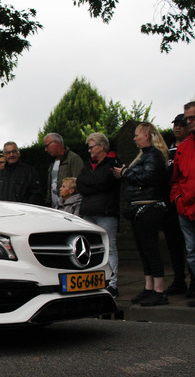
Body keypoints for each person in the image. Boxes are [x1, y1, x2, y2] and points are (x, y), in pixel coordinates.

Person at [114, 122, 169, 306]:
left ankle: (159, 290)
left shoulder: (153, 156)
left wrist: (125, 172)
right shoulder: (144, 156)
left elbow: (147, 178)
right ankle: (149, 287)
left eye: (137, 135)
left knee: (151, 249)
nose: (134, 138)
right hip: (139, 208)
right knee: (143, 250)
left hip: (149, 208)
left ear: (146, 136)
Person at [76, 132, 121, 297]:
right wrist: (94, 184)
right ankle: (94, 282)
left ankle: (112, 284)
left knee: (110, 248)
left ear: (101, 147)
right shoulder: (88, 165)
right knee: (91, 249)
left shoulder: (113, 163)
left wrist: (92, 184)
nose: (89, 150)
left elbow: (104, 181)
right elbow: (80, 184)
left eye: (91, 147)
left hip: (106, 212)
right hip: (88, 212)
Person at [164, 113, 195, 297]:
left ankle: (193, 282)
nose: (178, 128)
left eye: (181, 125)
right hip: (172, 202)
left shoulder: (188, 148)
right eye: (175, 124)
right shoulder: (168, 148)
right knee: (173, 244)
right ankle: (178, 280)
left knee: (190, 246)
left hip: (186, 202)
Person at [170, 101, 195, 307]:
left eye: (192, 118)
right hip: (184, 209)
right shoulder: (184, 147)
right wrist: (177, 199)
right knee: (192, 252)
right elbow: (176, 179)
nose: (189, 122)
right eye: (188, 119)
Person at [43, 133, 84, 207]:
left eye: (47, 146)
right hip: (55, 206)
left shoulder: (73, 158)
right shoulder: (52, 162)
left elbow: (78, 183)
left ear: (55, 142)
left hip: (70, 206)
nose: (45, 150)